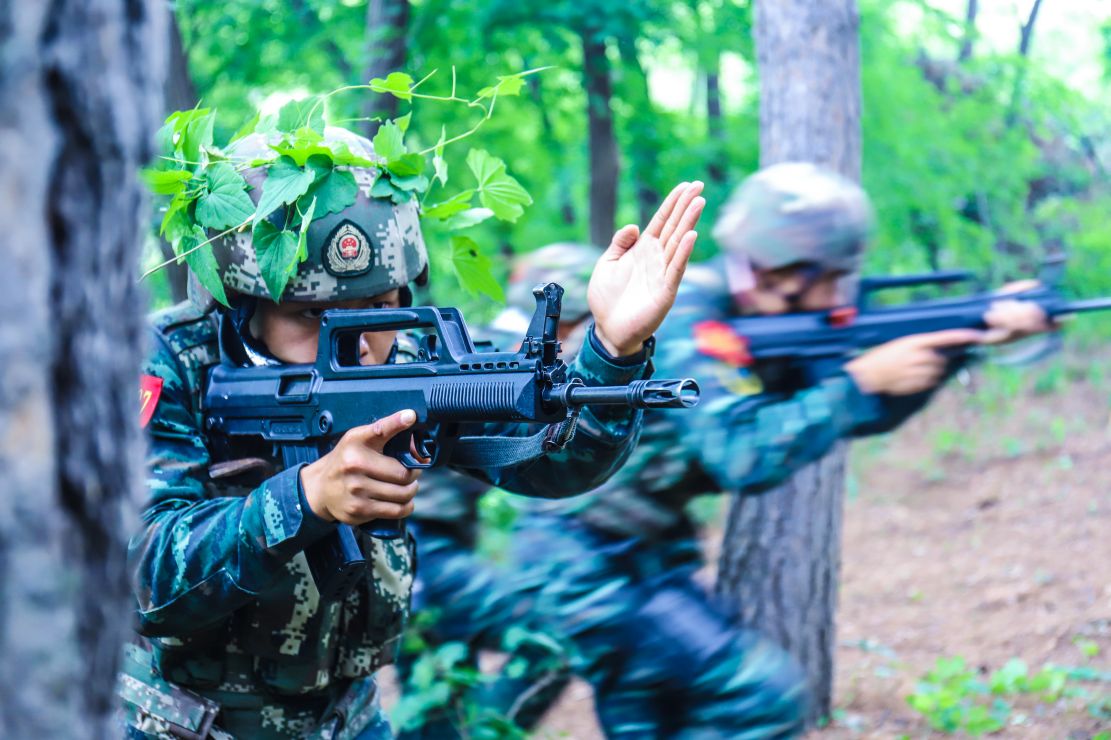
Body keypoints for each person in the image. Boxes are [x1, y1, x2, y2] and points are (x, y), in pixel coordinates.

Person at [117, 125, 706, 739]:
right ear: (242, 303)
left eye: (381, 304)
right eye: (313, 315)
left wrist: (612, 348)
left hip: (345, 720)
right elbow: (139, 574)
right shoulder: (168, 363)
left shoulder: (409, 361)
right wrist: (304, 498)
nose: (363, 342)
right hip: (185, 727)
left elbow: (558, 465)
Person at [506, 162, 1052, 738]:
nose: (838, 290)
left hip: (633, 560)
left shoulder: (768, 314)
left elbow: (856, 405)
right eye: (832, 276)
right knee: (761, 695)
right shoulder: (688, 310)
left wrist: (960, 345)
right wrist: (860, 384)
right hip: (587, 570)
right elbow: (739, 452)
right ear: (787, 272)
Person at [398, 243, 603, 737]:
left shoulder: (477, 346)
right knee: (551, 639)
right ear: (572, 322)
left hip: (420, 551)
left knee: (433, 710)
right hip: (424, 552)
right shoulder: (496, 361)